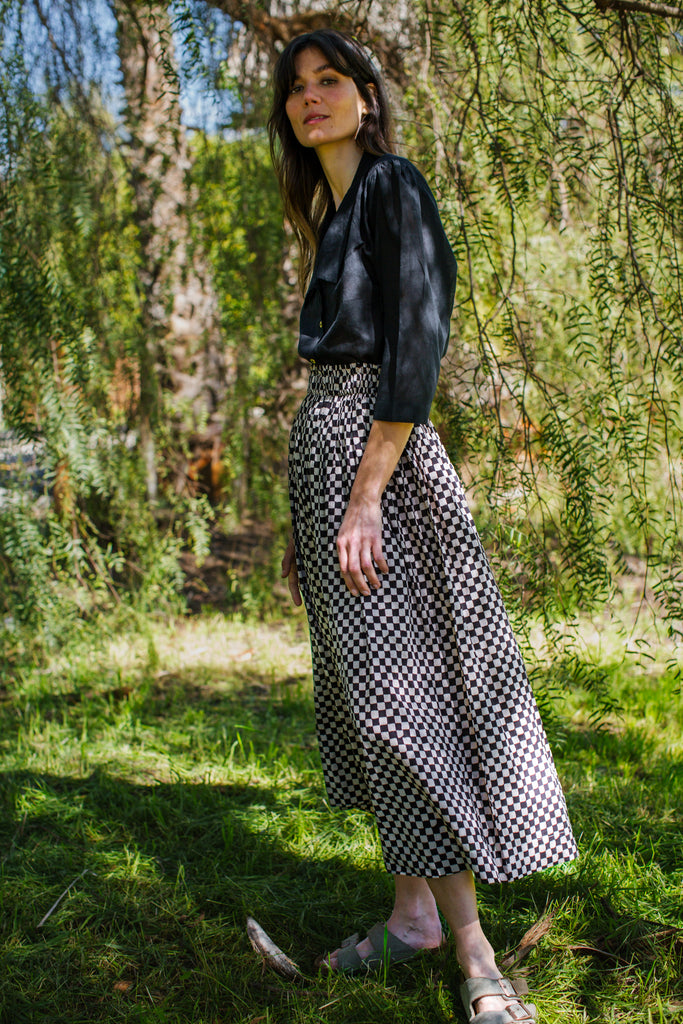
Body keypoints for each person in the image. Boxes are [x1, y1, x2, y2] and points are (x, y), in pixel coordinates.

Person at [268, 28, 578, 1023]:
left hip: (376, 463)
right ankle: (411, 915)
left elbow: (416, 345)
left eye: (330, 82)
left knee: (406, 699)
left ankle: (478, 957)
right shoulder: (334, 211)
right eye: (295, 88)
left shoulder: (393, 186)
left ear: (365, 96)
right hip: (331, 454)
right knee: (367, 691)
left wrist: (362, 496)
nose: (310, 98)